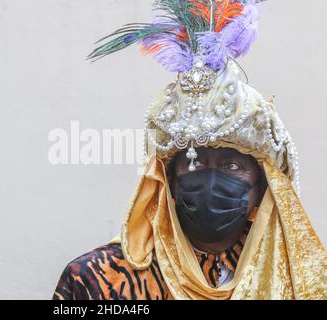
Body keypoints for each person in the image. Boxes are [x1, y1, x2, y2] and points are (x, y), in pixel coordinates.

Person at [53, 0, 327, 300]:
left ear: (263, 188)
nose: (211, 180)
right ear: (167, 181)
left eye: (231, 166)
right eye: (194, 163)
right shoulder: (99, 281)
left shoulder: (300, 278)